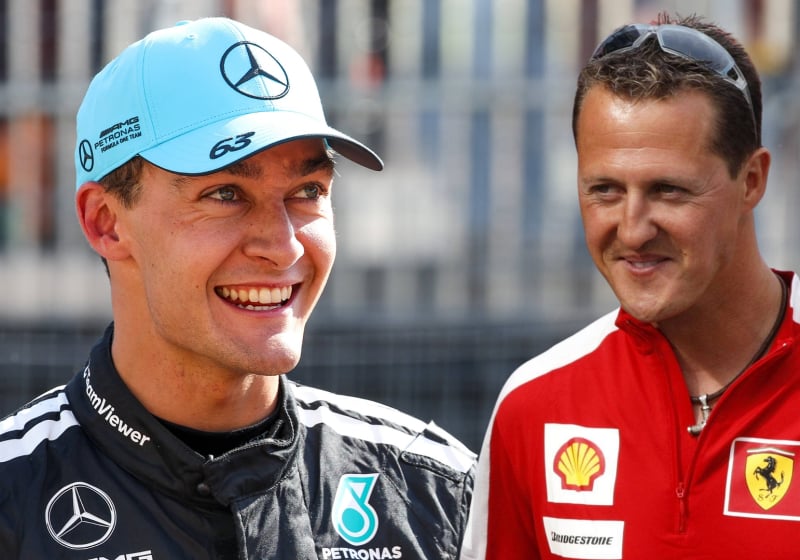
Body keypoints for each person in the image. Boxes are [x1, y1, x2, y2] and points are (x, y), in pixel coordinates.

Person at [0, 17, 475, 559]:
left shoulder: (431, 490)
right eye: (226, 193)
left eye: (308, 190)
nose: (285, 246)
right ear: (106, 222)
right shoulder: (15, 499)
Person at [461, 12, 800, 559]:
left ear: (752, 182)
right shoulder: (534, 403)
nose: (634, 229)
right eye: (605, 190)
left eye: (668, 190)